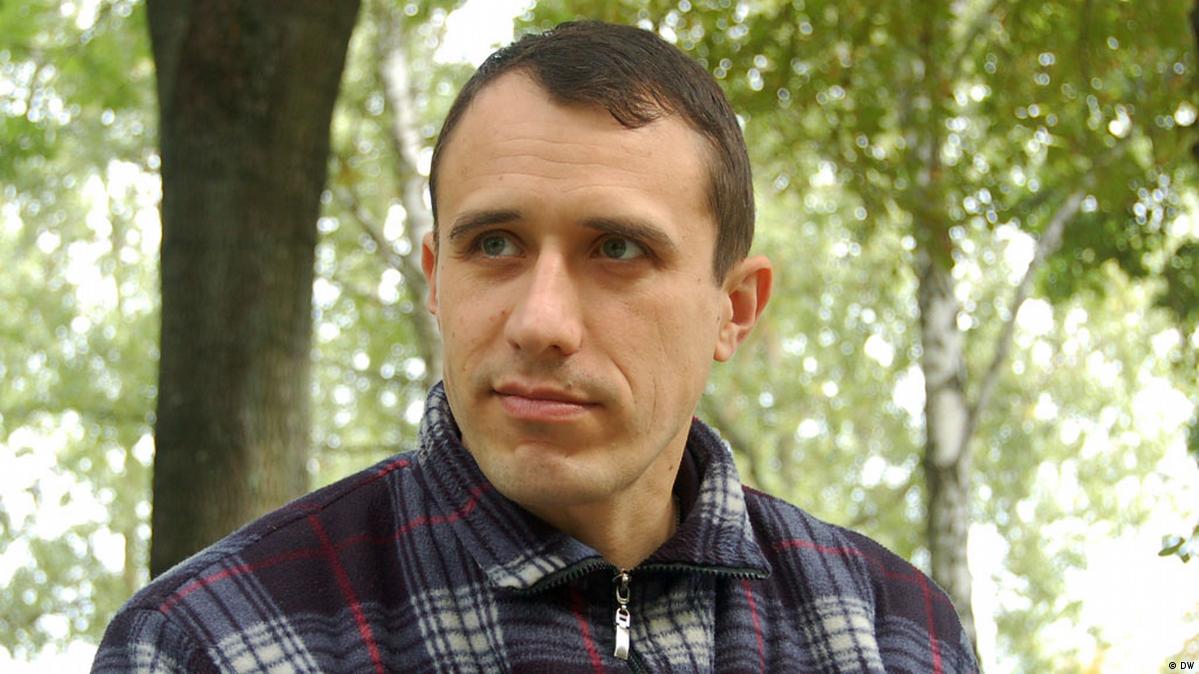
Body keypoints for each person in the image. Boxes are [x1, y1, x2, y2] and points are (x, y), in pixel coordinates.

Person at [93, 20, 978, 673]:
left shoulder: (892, 632)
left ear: (733, 309)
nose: (540, 322)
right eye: (495, 245)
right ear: (436, 279)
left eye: (617, 249)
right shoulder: (216, 640)